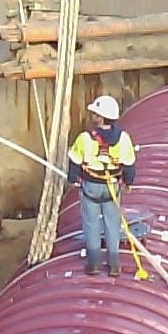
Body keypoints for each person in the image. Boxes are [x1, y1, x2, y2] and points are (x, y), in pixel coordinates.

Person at [66, 94, 137, 276]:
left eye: (95, 114)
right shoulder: (123, 138)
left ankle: (94, 264)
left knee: (91, 225)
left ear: (100, 117)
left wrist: (72, 179)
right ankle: (114, 264)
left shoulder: (84, 138)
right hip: (112, 187)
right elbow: (129, 164)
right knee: (112, 224)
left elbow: (74, 162)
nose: (92, 116)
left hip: (90, 186)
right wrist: (128, 182)